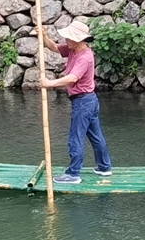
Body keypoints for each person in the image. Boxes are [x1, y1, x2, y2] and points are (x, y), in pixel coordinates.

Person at [37, 19, 112, 184]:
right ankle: (104, 167)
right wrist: (44, 36)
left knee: (75, 137)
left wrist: (49, 83)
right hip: (89, 100)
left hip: (83, 102)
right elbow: (54, 47)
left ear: (78, 39)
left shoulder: (85, 57)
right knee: (96, 136)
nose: (66, 40)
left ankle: (73, 173)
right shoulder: (73, 49)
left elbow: (72, 78)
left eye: (69, 38)